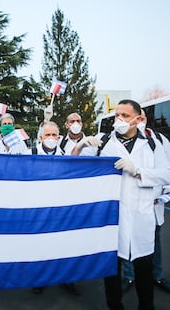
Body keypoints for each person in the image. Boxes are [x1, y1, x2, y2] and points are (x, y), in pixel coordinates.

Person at [72, 99, 170, 310]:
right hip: (112, 218)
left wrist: (138, 171)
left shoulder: (154, 143)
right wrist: (80, 145)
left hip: (142, 216)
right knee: (112, 271)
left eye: (125, 116)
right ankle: (115, 306)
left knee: (144, 270)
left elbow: (166, 174)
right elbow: (73, 166)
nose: (120, 120)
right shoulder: (104, 141)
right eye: (117, 115)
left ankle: (147, 306)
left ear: (138, 119)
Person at [121, 109, 170, 293]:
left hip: (152, 203)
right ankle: (129, 276)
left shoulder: (157, 140)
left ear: (144, 119)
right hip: (128, 202)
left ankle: (157, 276)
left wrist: (165, 193)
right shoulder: (119, 141)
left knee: (154, 241)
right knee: (126, 240)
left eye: (141, 117)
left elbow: (166, 170)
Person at [32, 121, 80, 296]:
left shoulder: (66, 154)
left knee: (63, 244)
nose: (51, 138)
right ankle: (39, 279)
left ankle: (66, 278)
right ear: (41, 137)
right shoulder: (30, 153)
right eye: (47, 135)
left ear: (59, 138)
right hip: (38, 207)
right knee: (40, 245)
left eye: (54, 135)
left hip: (60, 208)